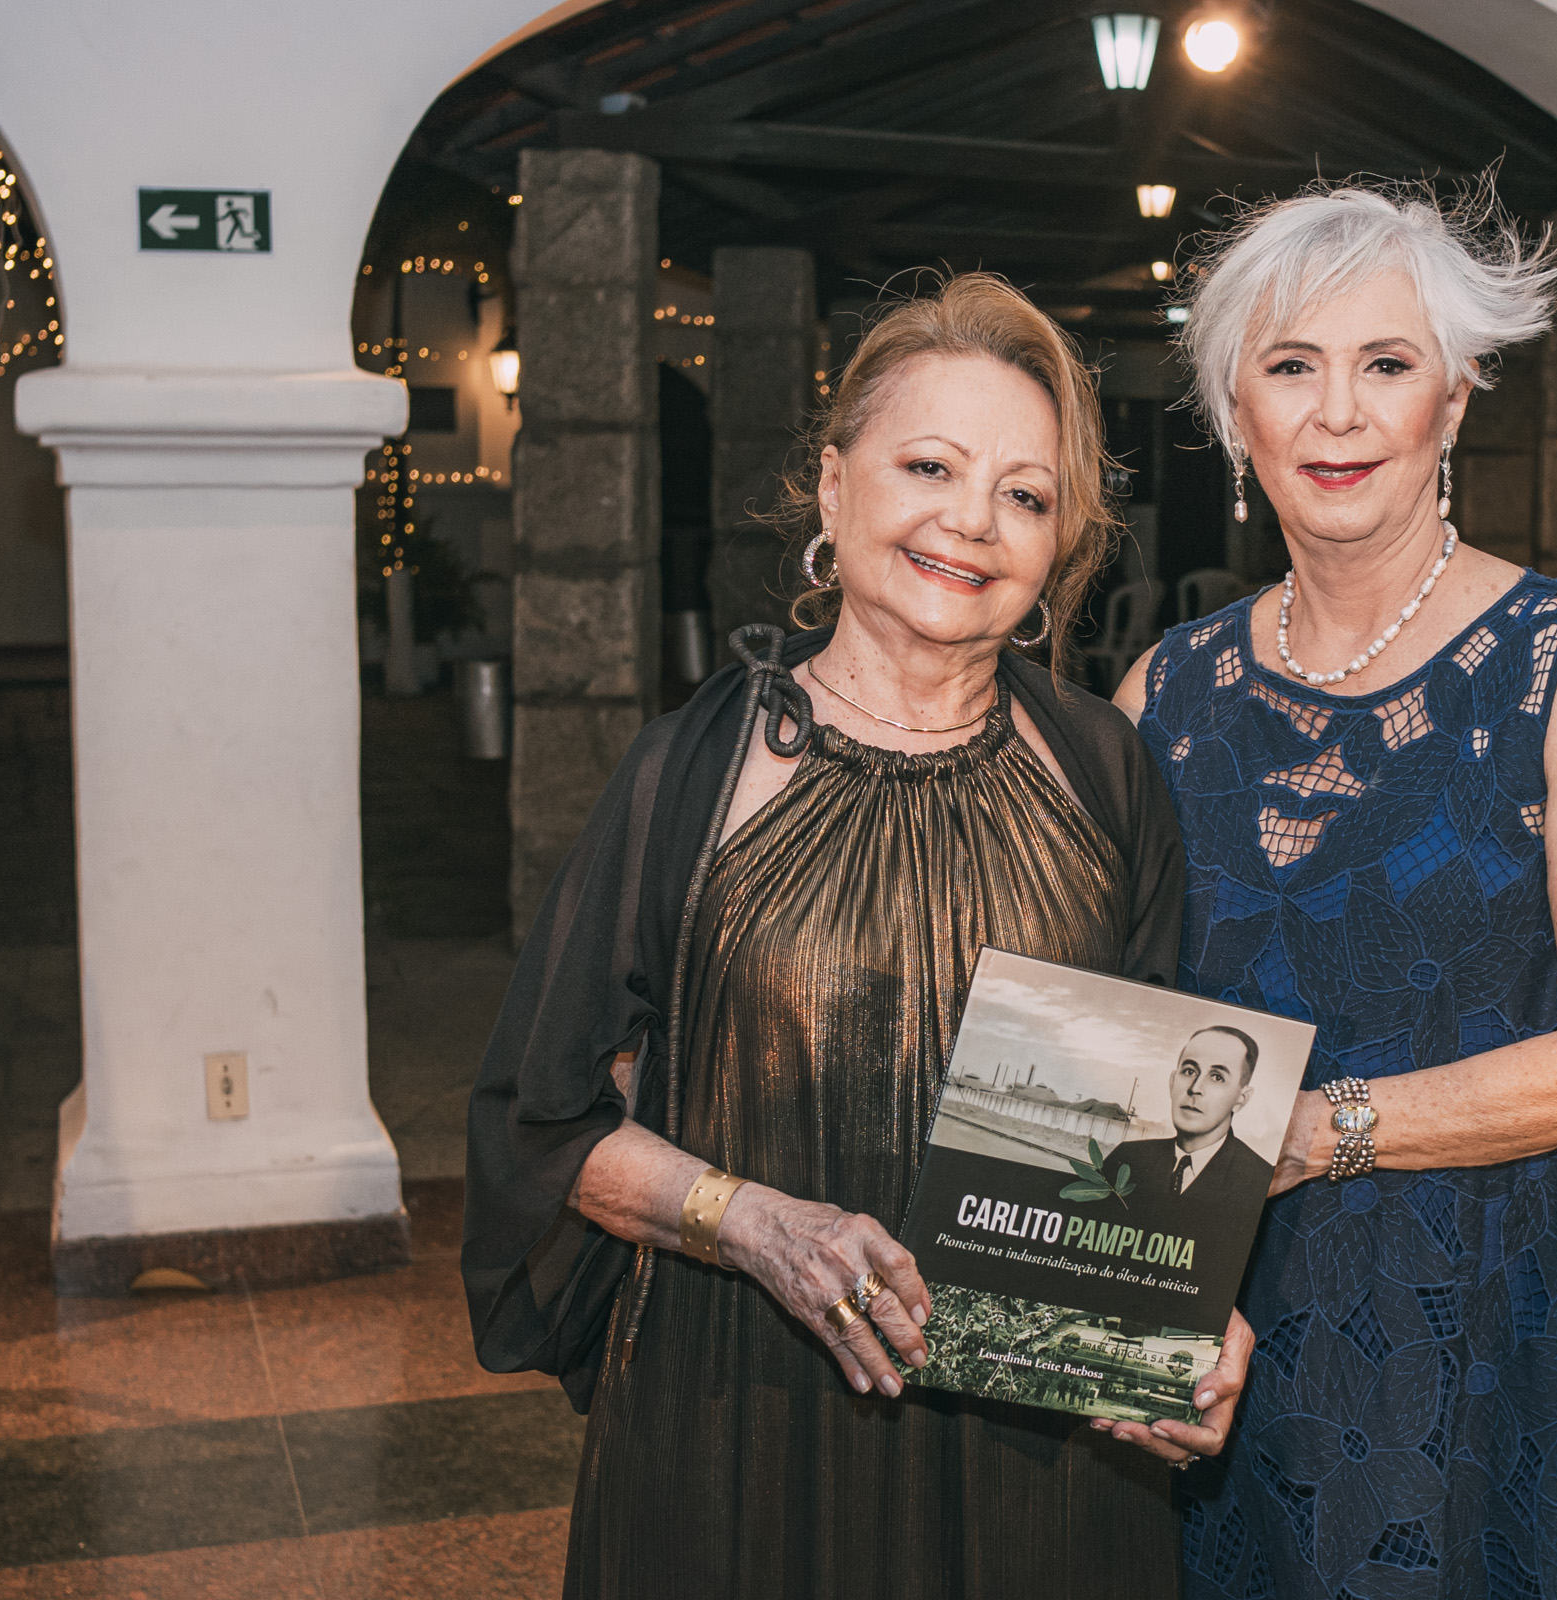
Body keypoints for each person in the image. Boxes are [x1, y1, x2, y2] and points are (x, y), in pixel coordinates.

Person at [463, 273, 1248, 1599]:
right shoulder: (689, 774)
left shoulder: (1106, 771)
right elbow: (545, 1132)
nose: (972, 520)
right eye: (929, 466)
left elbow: (1149, 1142)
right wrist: (751, 1222)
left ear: (1059, 546)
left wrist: (1182, 1316)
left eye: (1025, 494)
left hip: (1035, 1457)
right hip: (743, 1424)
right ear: (833, 491)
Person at [1113, 180, 1557, 1597]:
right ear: (1236, 412)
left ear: (1455, 395)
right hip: (1227, 1323)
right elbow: (1121, 1040)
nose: (1338, 413)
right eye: (1290, 367)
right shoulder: (1163, 694)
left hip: (1483, 1327)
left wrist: (1320, 1131)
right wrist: (1111, 1322)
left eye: (1385, 364)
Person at [1110, 1024, 1276, 1272]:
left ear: (1241, 1099)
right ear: (1172, 1082)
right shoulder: (1126, 1158)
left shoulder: (1261, 1181)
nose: (1195, 1088)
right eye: (1189, 1071)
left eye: (1217, 1077)